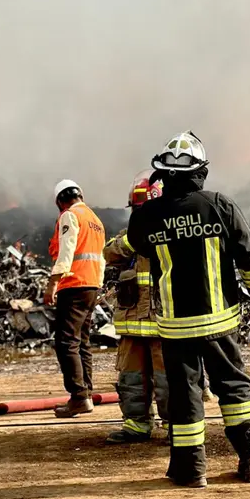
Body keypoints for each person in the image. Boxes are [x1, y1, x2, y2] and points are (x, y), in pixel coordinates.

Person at [126, 131, 250, 488]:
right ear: (200, 171)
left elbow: (135, 243)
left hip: (176, 325)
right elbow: (249, 258)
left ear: (163, 171)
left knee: (184, 393)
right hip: (220, 320)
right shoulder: (220, 205)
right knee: (234, 387)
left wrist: (153, 202)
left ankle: (192, 469)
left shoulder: (148, 215)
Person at [102, 170, 169, 443]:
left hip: (165, 324)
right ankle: (136, 425)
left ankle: (177, 427)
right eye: (137, 209)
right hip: (132, 323)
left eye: (145, 208)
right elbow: (108, 253)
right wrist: (133, 239)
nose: (140, 213)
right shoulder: (129, 236)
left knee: (169, 379)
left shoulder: (174, 234)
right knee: (131, 377)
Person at [46, 179, 106, 418]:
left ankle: (79, 397)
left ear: (61, 200)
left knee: (66, 342)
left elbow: (66, 250)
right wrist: (98, 285)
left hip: (73, 284)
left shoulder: (70, 216)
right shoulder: (96, 221)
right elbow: (100, 257)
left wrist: (53, 283)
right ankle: (86, 394)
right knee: (82, 342)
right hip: (91, 285)